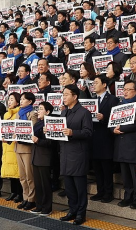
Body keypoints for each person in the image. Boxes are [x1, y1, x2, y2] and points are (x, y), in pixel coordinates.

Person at [113, 81, 136, 209]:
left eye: (129, 89)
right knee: (125, 175)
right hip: (121, 145)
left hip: (135, 145)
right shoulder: (120, 104)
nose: (125, 92)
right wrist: (112, 129)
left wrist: (122, 127)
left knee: (135, 176)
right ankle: (127, 197)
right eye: (124, 89)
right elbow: (111, 121)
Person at [59, 84, 93, 226]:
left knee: (79, 187)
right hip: (65, 153)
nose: (64, 97)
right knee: (69, 187)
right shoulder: (64, 112)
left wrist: (73, 133)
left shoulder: (84, 112)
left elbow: (88, 132)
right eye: (63, 94)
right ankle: (72, 210)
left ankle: (80, 213)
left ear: (75, 96)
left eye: (67, 94)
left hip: (78, 154)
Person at [90, 75, 119, 203]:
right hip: (94, 139)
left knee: (106, 169)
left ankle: (108, 193)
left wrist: (104, 118)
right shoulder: (92, 100)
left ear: (104, 85)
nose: (93, 85)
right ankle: (100, 191)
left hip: (106, 139)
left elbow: (116, 119)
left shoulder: (112, 99)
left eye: (96, 82)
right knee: (97, 168)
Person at [30, 102, 54, 215]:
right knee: (38, 184)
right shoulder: (37, 124)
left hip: (44, 157)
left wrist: (38, 140)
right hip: (35, 156)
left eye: (41, 109)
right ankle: (39, 206)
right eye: (38, 109)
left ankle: (47, 208)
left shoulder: (49, 124)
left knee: (45, 184)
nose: (38, 111)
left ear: (48, 112)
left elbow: (50, 143)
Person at [1, 93, 23, 203]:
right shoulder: (6, 115)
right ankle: (13, 192)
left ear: (17, 102)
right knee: (10, 171)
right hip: (6, 145)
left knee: (16, 171)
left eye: (12, 99)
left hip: (14, 145)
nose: (9, 102)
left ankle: (20, 193)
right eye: (8, 99)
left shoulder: (19, 114)